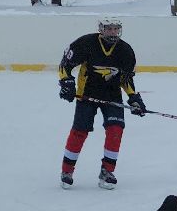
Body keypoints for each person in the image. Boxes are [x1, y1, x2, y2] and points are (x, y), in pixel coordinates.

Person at [56, 16, 145, 189]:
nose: (113, 32)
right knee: (79, 132)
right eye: (109, 28)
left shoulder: (126, 50)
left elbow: (126, 79)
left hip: (112, 97)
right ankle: (67, 171)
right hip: (86, 95)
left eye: (115, 28)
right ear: (101, 29)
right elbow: (65, 65)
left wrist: (134, 98)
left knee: (115, 130)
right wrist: (66, 82)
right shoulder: (86, 43)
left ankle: (107, 171)